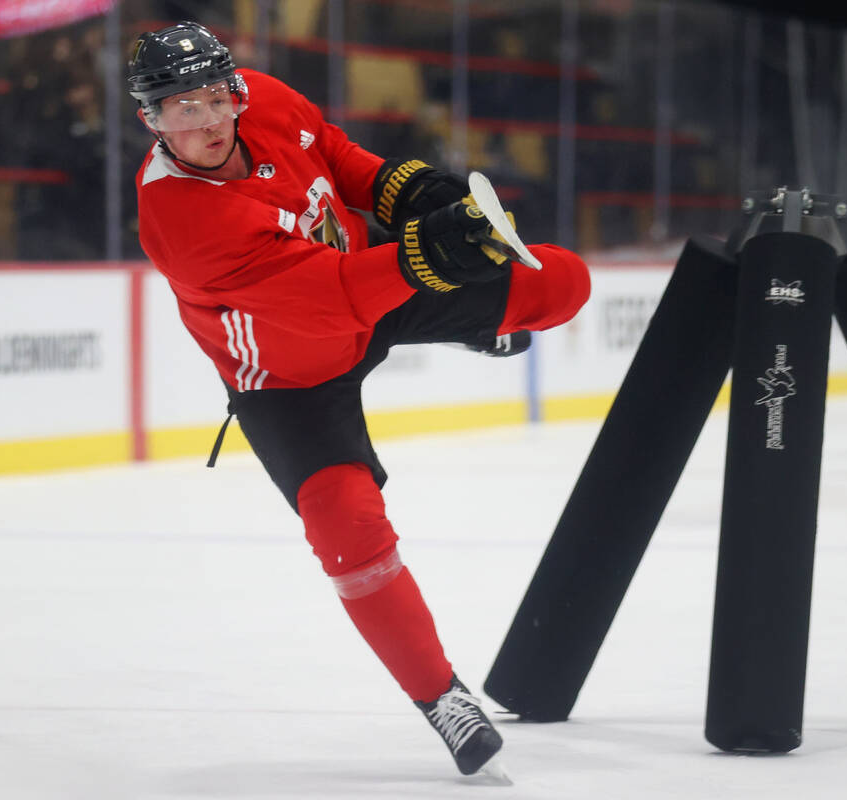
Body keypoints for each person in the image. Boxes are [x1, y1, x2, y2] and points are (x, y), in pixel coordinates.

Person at [127, 22, 590, 777]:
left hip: (369, 292)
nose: (207, 122)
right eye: (182, 110)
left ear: (236, 91)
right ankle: (442, 697)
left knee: (564, 281)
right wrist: (429, 250)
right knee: (349, 535)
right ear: (151, 120)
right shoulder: (180, 222)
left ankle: (467, 326)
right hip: (289, 377)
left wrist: (414, 189)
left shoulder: (266, 100)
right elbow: (334, 300)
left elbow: (337, 158)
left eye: (214, 99)